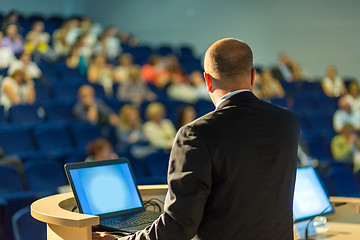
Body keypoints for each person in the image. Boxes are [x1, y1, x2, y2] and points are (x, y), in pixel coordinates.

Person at [93, 38, 300, 240]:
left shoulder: (196, 134)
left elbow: (178, 227)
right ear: (253, 76)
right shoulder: (288, 122)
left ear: (207, 80)